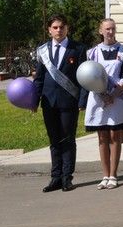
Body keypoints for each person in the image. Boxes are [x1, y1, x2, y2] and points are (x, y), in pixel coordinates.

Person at [32, 14, 87, 193]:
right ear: (49, 30)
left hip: (69, 102)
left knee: (67, 140)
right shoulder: (42, 50)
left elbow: (84, 77)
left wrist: (82, 99)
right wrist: (34, 100)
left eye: (61, 27)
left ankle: (66, 177)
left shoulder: (78, 49)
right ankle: (55, 177)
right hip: (48, 102)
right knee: (54, 140)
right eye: (55, 27)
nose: (58, 30)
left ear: (67, 29)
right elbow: (39, 78)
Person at [84, 18, 123, 190]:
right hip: (98, 99)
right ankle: (104, 175)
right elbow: (88, 76)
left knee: (115, 136)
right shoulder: (92, 52)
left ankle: (114, 175)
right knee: (102, 137)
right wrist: (102, 95)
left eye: (113, 28)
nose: (110, 32)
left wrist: (113, 94)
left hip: (117, 98)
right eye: (107, 29)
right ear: (101, 31)